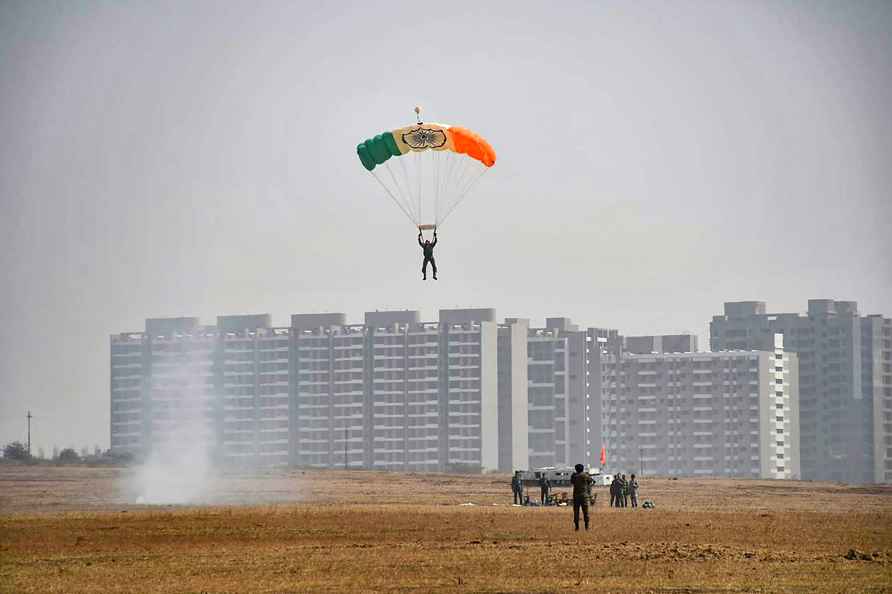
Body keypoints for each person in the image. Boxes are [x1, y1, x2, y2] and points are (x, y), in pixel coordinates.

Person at [570, 463, 592, 531]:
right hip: (584, 496)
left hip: (576, 496)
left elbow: (572, 482)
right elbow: (590, 481)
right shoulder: (585, 475)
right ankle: (586, 527)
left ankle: (577, 527)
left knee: (576, 512)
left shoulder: (574, 476)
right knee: (586, 512)